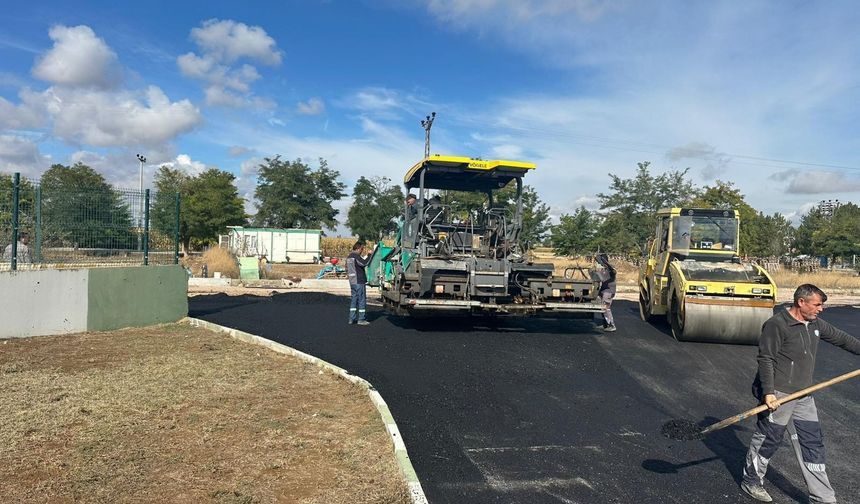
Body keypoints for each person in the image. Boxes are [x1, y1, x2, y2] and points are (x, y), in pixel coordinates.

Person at [741, 284, 860, 503]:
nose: (821, 309)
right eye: (817, 304)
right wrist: (768, 393)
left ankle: (822, 497)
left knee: (812, 443)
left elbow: (842, 338)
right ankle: (751, 480)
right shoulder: (777, 325)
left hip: (804, 394)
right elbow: (766, 358)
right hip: (779, 393)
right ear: (801, 302)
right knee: (769, 439)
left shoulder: (814, 323)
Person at [346, 242, 370, 326]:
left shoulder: (349, 257)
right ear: (358, 248)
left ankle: (351, 319)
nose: (362, 251)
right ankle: (361, 319)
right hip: (359, 281)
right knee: (361, 300)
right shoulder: (356, 256)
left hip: (352, 282)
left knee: (353, 300)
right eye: (362, 249)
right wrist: (369, 255)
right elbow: (364, 263)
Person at [594, 253, 616, 332]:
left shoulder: (611, 270)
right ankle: (605, 324)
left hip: (609, 291)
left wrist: (606, 263)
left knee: (607, 308)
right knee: (602, 307)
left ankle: (611, 325)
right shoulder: (604, 269)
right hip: (603, 290)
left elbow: (613, 272)